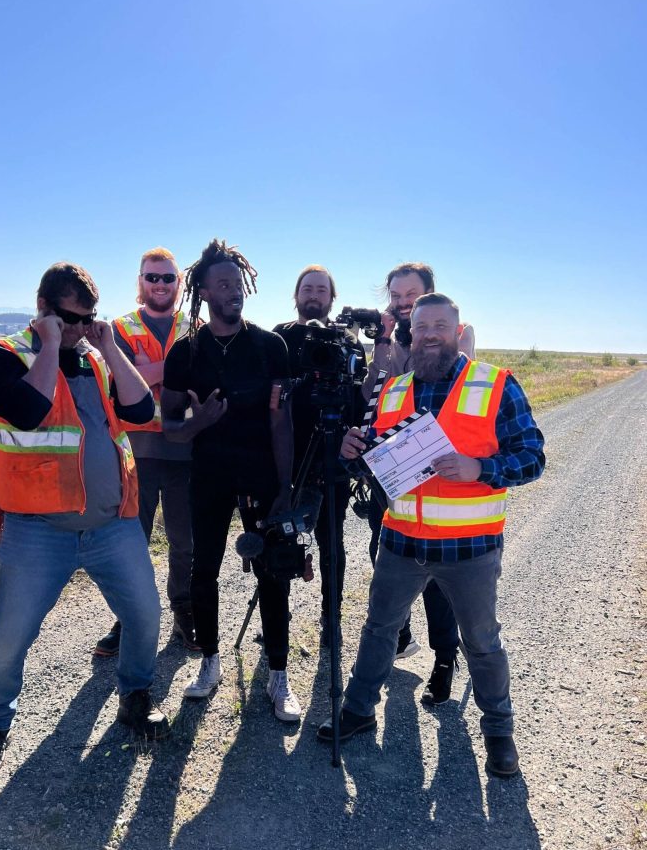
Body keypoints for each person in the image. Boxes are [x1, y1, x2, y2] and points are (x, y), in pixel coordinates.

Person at [319, 293, 545, 776]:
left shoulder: (496, 385)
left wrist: (480, 467)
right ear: (411, 333)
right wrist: (351, 448)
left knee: (482, 641)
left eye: (440, 325)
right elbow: (371, 462)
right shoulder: (393, 389)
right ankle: (358, 711)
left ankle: (500, 733)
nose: (430, 335)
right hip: (402, 541)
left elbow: (533, 457)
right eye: (422, 327)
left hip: (471, 549)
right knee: (379, 630)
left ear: (458, 331)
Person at [0, 263, 168, 777]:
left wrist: (110, 347)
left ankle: (135, 695)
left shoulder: (97, 358)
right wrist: (50, 343)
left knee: (145, 614)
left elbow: (142, 412)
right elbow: (29, 412)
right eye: (71, 319)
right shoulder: (5, 357)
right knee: (10, 636)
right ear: (44, 311)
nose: (82, 329)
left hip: (111, 524)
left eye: (89, 319)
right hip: (38, 531)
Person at [160, 238, 301, 722]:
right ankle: (210, 663)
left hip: (261, 475)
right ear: (202, 289)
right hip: (210, 476)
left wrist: (284, 486)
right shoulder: (185, 354)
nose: (233, 291)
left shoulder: (270, 347)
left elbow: (280, 421)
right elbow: (171, 427)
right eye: (222, 284)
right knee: (205, 570)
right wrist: (199, 423)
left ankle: (278, 677)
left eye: (237, 283)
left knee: (274, 570)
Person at [365, 262, 474, 705]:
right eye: (396, 296)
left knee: (436, 576)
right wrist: (383, 343)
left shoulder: (452, 336)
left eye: (412, 294)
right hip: (393, 469)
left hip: (440, 472)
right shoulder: (390, 339)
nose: (403, 302)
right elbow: (374, 397)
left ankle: (444, 658)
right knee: (387, 554)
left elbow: (444, 385)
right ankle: (399, 635)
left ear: (429, 294)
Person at [95, 247, 198, 657]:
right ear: (140, 281)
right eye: (151, 277)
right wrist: (167, 372)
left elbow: (204, 384)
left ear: (179, 283)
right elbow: (113, 383)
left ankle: (183, 613)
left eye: (167, 278)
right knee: (130, 542)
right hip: (134, 455)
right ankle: (128, 618)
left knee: (184, 542)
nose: (159, 284)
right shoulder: (119, 328)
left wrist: (144, 369)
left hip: (186, 453)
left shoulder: (196, 327)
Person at [273, 265, 366, 646]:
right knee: (281, 534)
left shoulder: (348, 341)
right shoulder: (279, 337)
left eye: (321, 290)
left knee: (332, 537)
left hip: (333, 449)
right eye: (307, 289)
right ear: (296, 294)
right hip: (288, 452)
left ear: (332, 297)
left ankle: (332, 616)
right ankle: (276, 615)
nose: (314, 295)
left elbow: (358, 397)